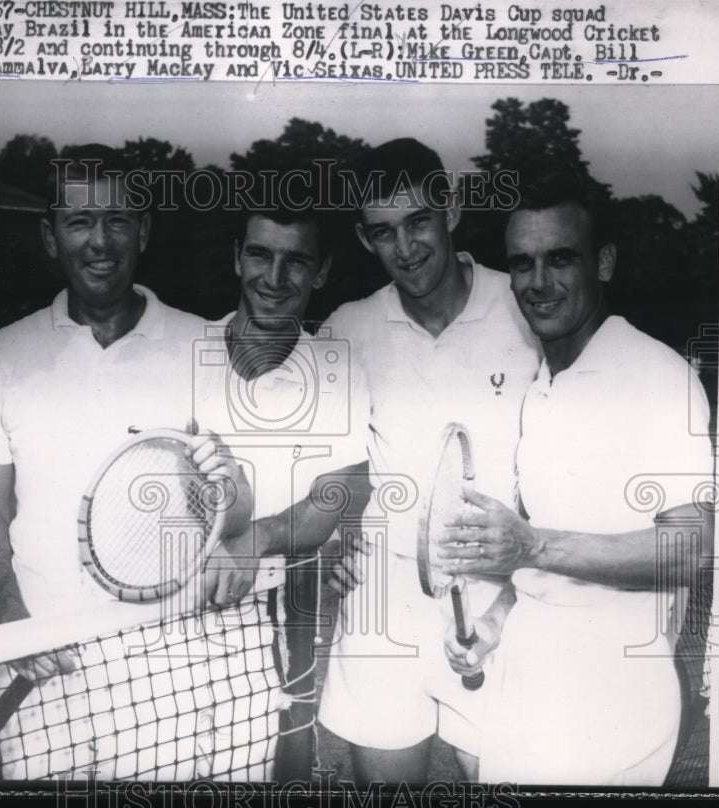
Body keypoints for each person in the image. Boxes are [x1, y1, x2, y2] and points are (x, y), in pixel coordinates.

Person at [219, 139, 541, 782]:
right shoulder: (346, 328)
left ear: (448, 209)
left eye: (418, 221)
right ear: (367, 243)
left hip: (500, 595)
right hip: (380, 605)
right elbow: (328, 469)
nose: (407, 246)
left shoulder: (526, 305)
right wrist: (331, 543)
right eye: (384, 233)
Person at [0, 145, 252, 779]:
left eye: (119, 220)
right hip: (45, 658)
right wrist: (13, 622)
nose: (101, 240)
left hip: (165, 659)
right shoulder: (4, 354)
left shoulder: (203, 342)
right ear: (49, 235)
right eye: (79, 221)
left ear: (143, 231)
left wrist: (228, 489)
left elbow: (238, 500)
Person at [439, 169, 714, 785]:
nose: (538, 283)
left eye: (560, 259)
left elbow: (688, 552)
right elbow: (546, 571)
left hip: (615, 709)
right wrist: (493, 622)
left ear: (604, 263)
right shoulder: (542, 383)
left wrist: (531, 544)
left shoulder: (658, 376)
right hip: (523, 691)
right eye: (522, 263)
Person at [191, 198, 368, 777]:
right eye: (260, 254)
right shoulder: (179, 350)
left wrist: (255, 538)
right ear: (236, 256)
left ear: (321, 271)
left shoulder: (338, 370)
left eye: (296, 261)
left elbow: (336, 496)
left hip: (271, 637)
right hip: (164, 628)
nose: (274, 277)